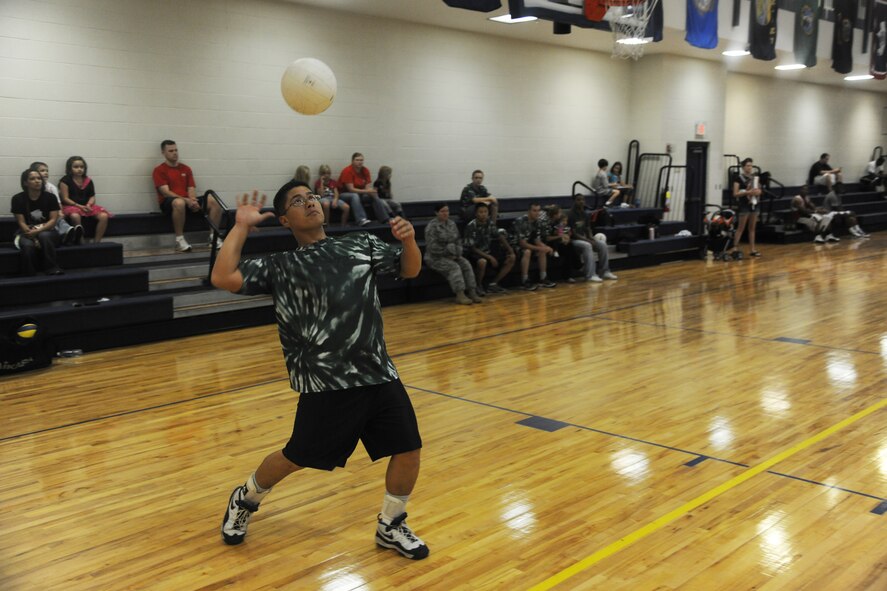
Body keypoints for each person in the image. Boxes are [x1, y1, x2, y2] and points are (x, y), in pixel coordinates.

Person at [211, 182, 428, 560]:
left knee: (408, 449)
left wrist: (409, 241)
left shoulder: (359, 244)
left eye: (311, 196)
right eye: (298, 201)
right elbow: (223, 277)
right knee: (296, 457)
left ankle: (390, 526)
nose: (309, 202)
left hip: (378, 371)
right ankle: (245, 499)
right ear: (284, 219)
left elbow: (410, 270)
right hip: (326, 382)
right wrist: (241, 226)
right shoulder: (282, 265)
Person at [152, 140, 223, 252]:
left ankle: (213, 237)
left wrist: (193, 201)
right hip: (169, 202)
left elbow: (191, 188)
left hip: (187, 200)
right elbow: (165, 192)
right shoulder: (159, 170)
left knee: (213, 201)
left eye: (176, 150)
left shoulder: (186, 168)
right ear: (163, 153)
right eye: (171, 151)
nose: (175, 153)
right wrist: (186, 200)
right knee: (179, 203)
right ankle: (179, 240)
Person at [425, 203, 481, 305]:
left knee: (466, 264)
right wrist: (448, 252)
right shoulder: (431, 227)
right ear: (436, 213)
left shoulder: (451, 224)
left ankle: (472, 292)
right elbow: (432, 247)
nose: (445, 213)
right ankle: (460, 295)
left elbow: (458, 240)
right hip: (435, 257)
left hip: (453, 254)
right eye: (442, 211)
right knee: (454, 267)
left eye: (447, 211)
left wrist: (458, 252)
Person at [10, 168, 63, 276]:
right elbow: (21, 222)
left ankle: (52, 268)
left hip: (48, 230)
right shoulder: (17, 199)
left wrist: (38, 233)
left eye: (39, 178)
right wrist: (34, 238)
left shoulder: (50, 197)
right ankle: (29, 274)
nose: (37, 181)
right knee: (28, 245)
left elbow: (53, 220)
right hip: (27, 232)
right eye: (32, 179)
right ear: (25, 182)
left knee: (44, 236)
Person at [463, 202, 515, 294]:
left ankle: (493, 284)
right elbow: (472, 248)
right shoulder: (471, 226)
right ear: (476, 213)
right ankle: (478, 286)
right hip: (475, 254)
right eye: (481, 212)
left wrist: (510, 250)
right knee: (482, 262)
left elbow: (499, 236)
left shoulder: (489, 223)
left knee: (511, 257)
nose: (483, 214)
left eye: (485, 212)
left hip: (488, 251)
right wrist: (489, 257)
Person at [58, 156, 113, 243]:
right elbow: (65, 198)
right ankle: (81, 241)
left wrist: (89, 204)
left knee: (104, 216)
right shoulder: (65, 181)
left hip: (86, 206)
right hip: (72, 206)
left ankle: (97, 242)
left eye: (81, 167)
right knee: (75, 216)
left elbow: (92, 196)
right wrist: (79, 206)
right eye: (76, 167)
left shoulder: (88, 180)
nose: (79, 169)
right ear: (70, 168)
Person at [567, 194, 617, 282]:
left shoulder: (585, 214)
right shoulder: (571, 214)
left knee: (602, 244)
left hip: (584, 238)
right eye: (578, 200)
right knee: (587, 245)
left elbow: (588, 228)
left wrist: (591, 238)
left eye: (582, 200)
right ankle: (590, 275)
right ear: (575, 201)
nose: (581, 201)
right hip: (573, 241)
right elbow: (573, 233)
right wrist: (587, 240)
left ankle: (605, 271)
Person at [29, 161, 79, 245]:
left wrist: (60, 212)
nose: (45, 173)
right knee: (54, 221)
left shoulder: (51, 187)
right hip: (39, 216)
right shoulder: (30, 187)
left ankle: (69, 232)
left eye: (47, 171)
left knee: (58, 217)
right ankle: (66, 233)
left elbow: (58, 203)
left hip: (52, 214)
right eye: (42, 171)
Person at [511, 203, 556, 290]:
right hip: (513, 245)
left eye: (538, 210)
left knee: (542, 250)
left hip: (527, 244)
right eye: (534, 210)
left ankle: (543, 278)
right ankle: (525, 280)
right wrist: (541, 248)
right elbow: (522, 244)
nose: (537, 213)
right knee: (527, 251)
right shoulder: (521, 221)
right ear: (529, 211)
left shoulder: (537, 222)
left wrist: (547, 248)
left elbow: (537, 240)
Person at [729, 157, 763, 259]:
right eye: (748, 165)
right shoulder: (738, 178)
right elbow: (735, 193)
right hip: (744, 204)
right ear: (743, 167)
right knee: (741, 228)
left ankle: (752, 249)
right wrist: (748, 192)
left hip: (754, 203)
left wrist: (758, 192)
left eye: (751, 165)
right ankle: (735, 247)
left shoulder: (755, 178)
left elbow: (760, 190)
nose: (750, 167)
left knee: (752, 228)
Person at [338, 152, 383, 224]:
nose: (360, 162)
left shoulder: (365, 170)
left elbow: (367, 188)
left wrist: (371, 192)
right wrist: (367, 191)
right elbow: (351, 189)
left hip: (360, 194)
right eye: (357, 160)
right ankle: (361, 219)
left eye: (361, 160)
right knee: (354, 196)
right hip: (344, 194)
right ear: (352, 161)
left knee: (374, 195)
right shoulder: (347, 171)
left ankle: (384, 219)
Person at [541, 205, 582, 283]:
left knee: (569, 246)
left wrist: (565, 238)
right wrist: (560, 236)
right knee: (569, 247)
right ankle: (577, 266)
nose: (561, 214)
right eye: (559, 213)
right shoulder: (546, 223)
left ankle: (570, 273)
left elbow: (564, 232)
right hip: (547, 244)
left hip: (557, 242)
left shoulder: (557, 221)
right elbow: (547, 238)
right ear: (555, 215)